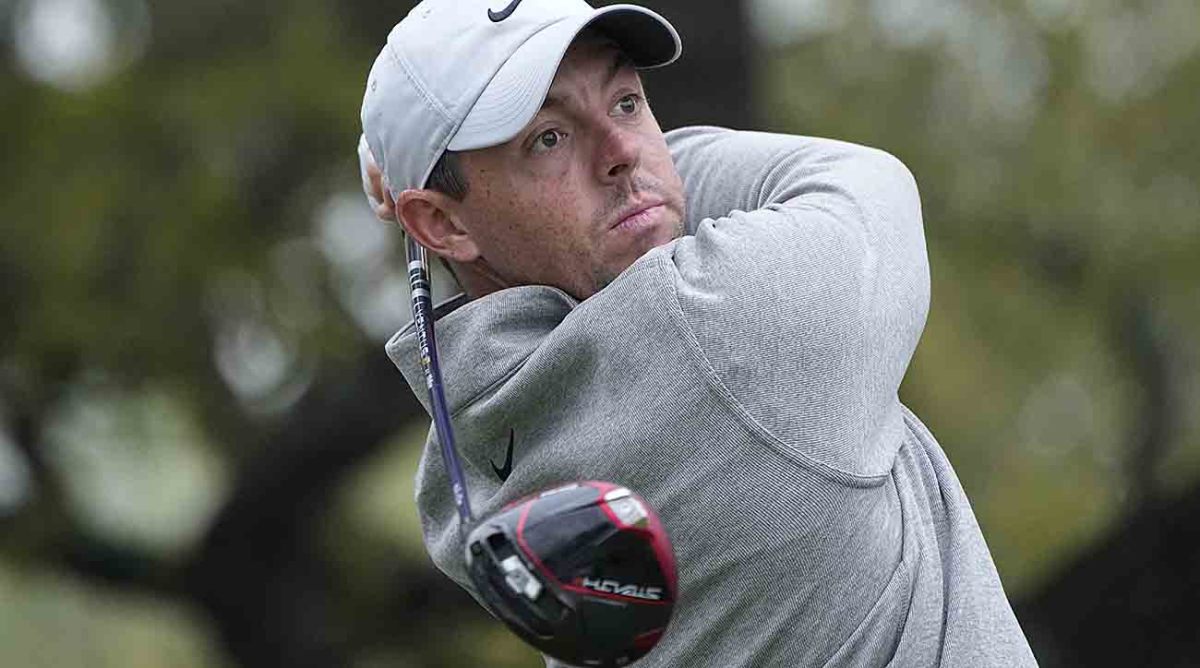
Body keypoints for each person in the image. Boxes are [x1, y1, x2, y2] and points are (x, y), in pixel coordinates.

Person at [359, 0, 1038, 665]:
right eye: (548, 138)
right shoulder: (726, 329)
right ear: (442, 224)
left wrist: (433, 204)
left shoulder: (469, 471)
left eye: (626, 102)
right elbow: (863, 181)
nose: (622, 150)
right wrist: (647, 181)